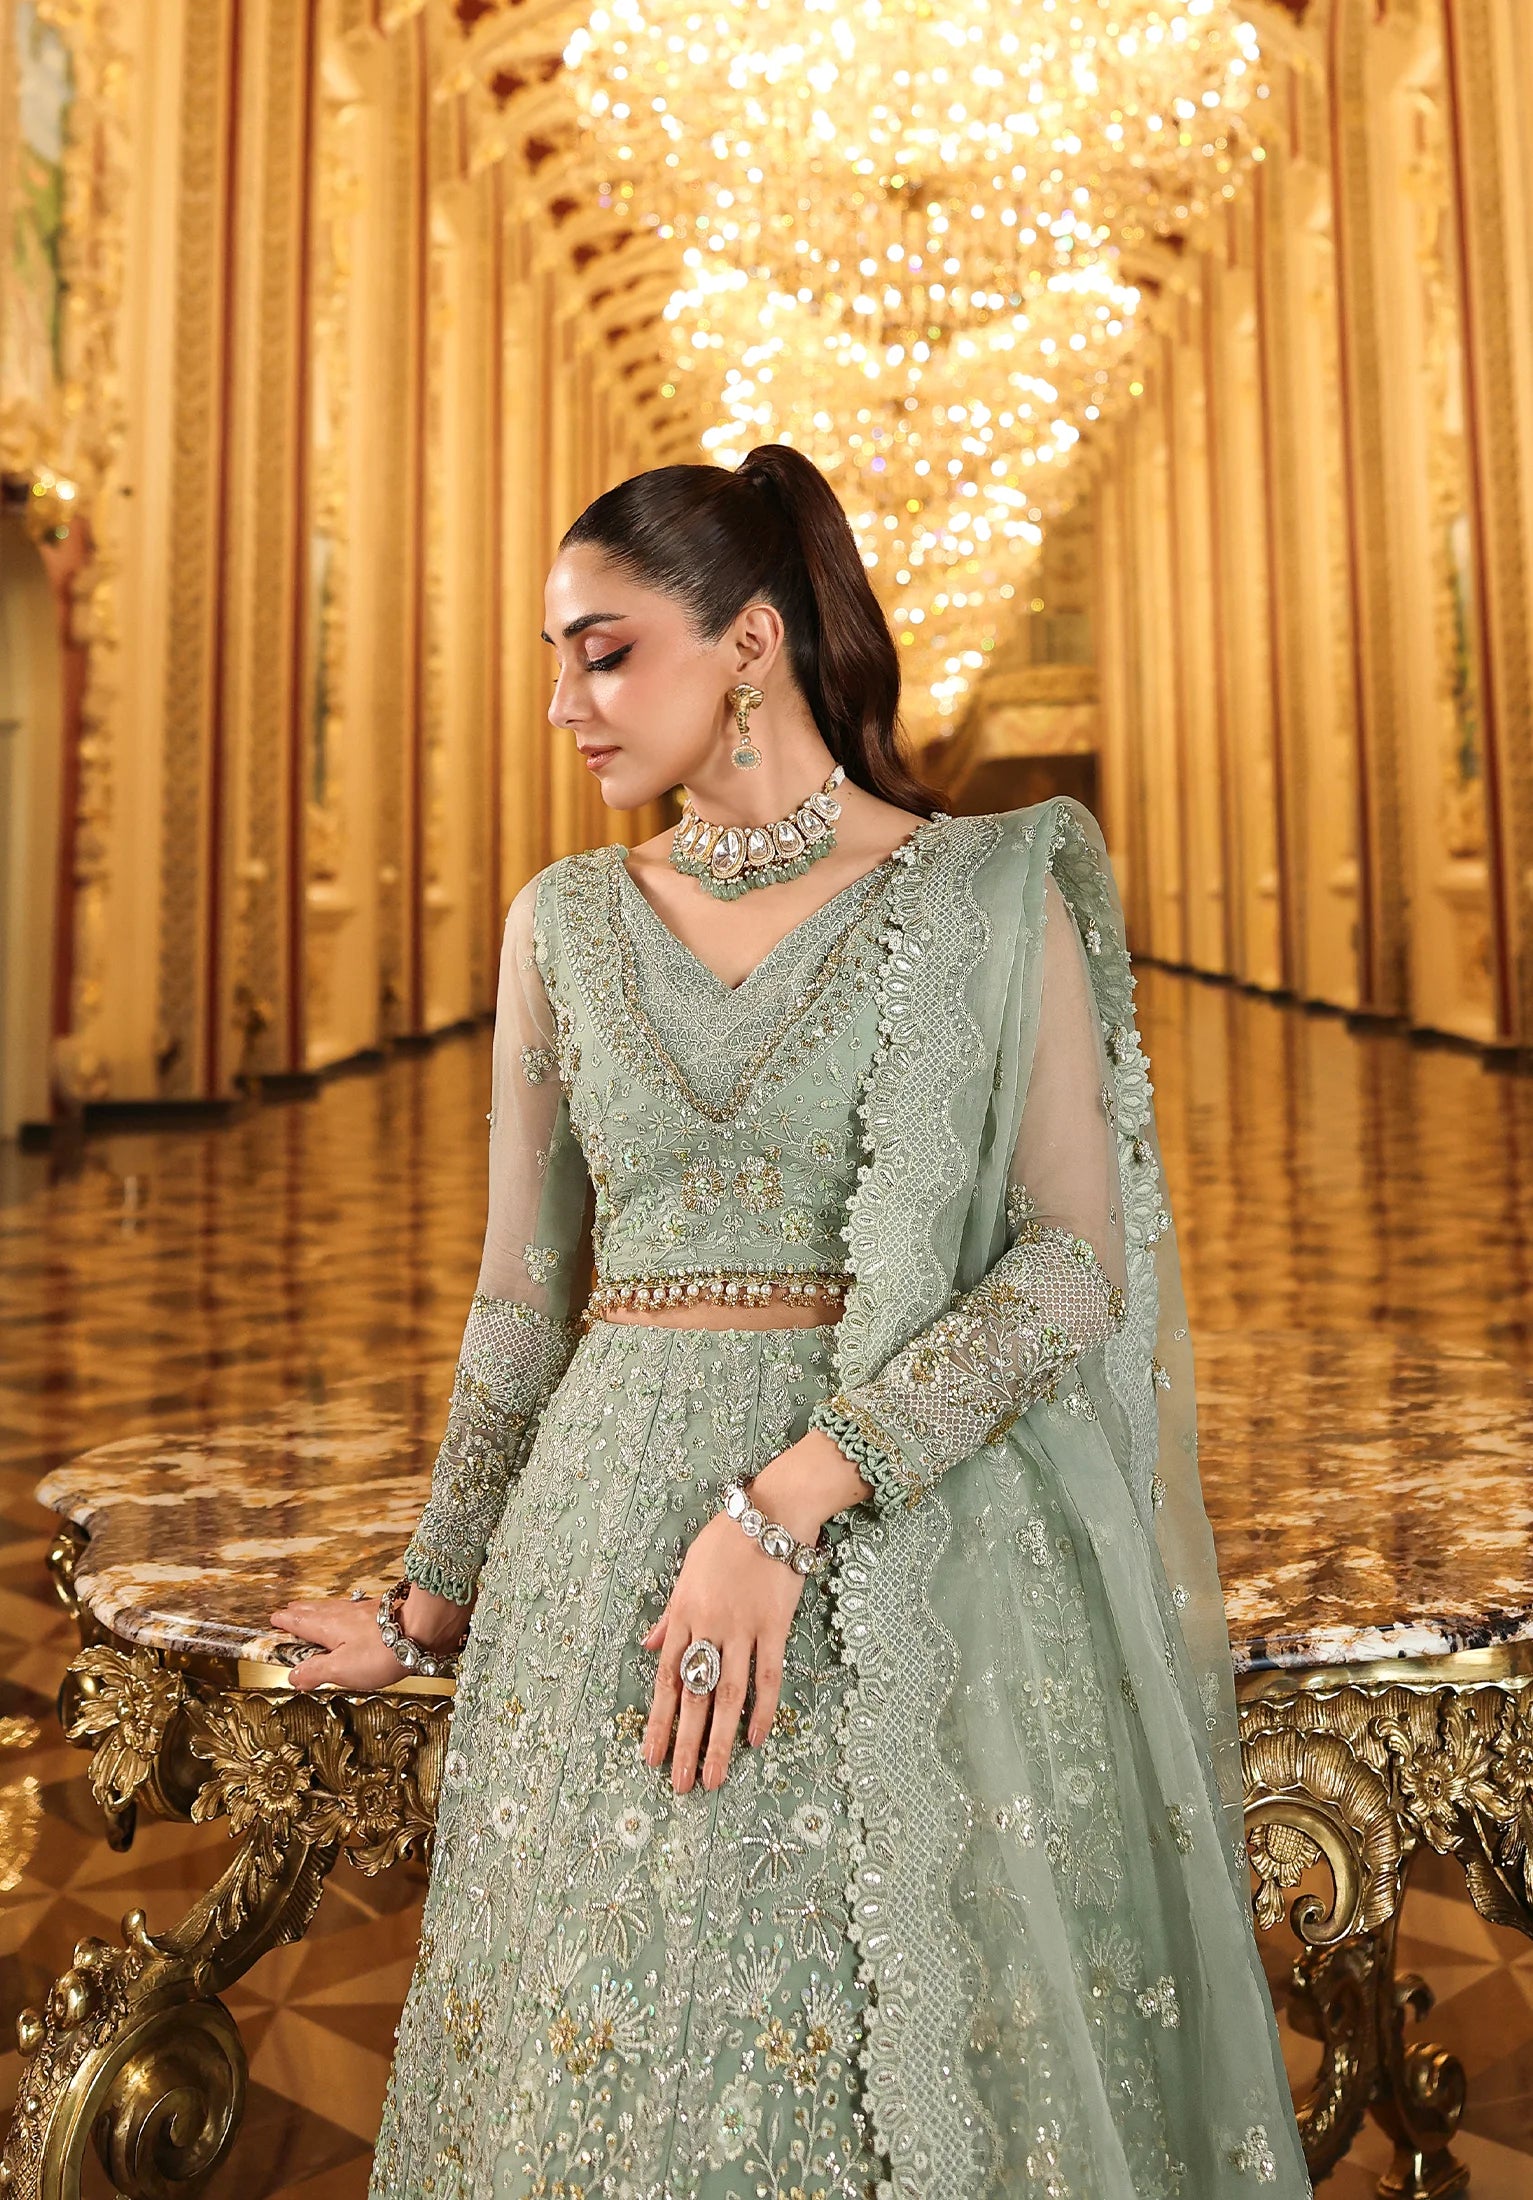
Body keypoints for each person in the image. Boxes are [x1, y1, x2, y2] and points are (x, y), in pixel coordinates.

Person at [272, 444, 1312, 2199]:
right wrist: (432, 1599)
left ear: (746, 641)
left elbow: (1070, 1261)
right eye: (553, 659)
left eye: (602, 652)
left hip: (902, 1546)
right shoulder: (566, 926)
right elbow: (524, 1301)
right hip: (595, 1571)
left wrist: (786, 1505)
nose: (562, 705)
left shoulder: (988, 896)